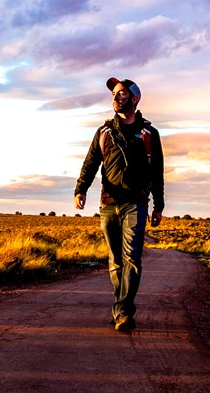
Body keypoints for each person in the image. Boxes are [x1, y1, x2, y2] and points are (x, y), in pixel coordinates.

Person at [74, 77, 164, 332]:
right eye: (114, 93)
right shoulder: (104, 132)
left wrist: (159, 206)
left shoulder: (149, 134)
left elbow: (157, 171)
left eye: (122, 93)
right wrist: (80, 190)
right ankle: (120, 307)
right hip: (108, 204)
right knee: (115, 261)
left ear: (134, 99)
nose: (116, 97)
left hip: (136, 204)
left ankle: (124, 312)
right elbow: (91, 162)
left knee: (132, 259)